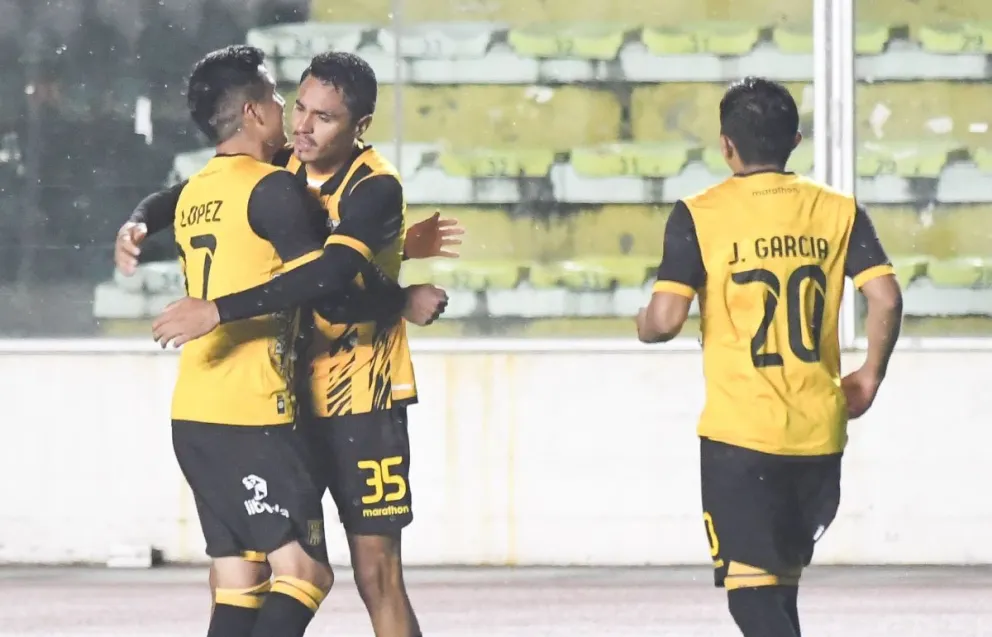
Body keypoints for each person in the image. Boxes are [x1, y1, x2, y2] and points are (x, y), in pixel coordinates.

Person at [134, 52, 453, 637]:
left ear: (358, 127)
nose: (303, 125)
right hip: (286, 398)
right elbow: (181, 194)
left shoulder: (375, 188)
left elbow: (331, 281)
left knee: (375, 572)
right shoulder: (281, 161)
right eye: (299, 106)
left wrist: (397, 293)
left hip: (362, 400)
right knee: (247, 570)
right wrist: (138, 221)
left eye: (324, 117)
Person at [636, 77, 903, 637]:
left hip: (743, 438)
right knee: (777, 593)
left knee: (753, 604)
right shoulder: (838, 210)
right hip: (819, 433)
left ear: (725, 144)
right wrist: (870, 377)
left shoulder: (699, 213)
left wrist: (641, 322)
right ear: (795, 140)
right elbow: (885, 295)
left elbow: (663, 322)